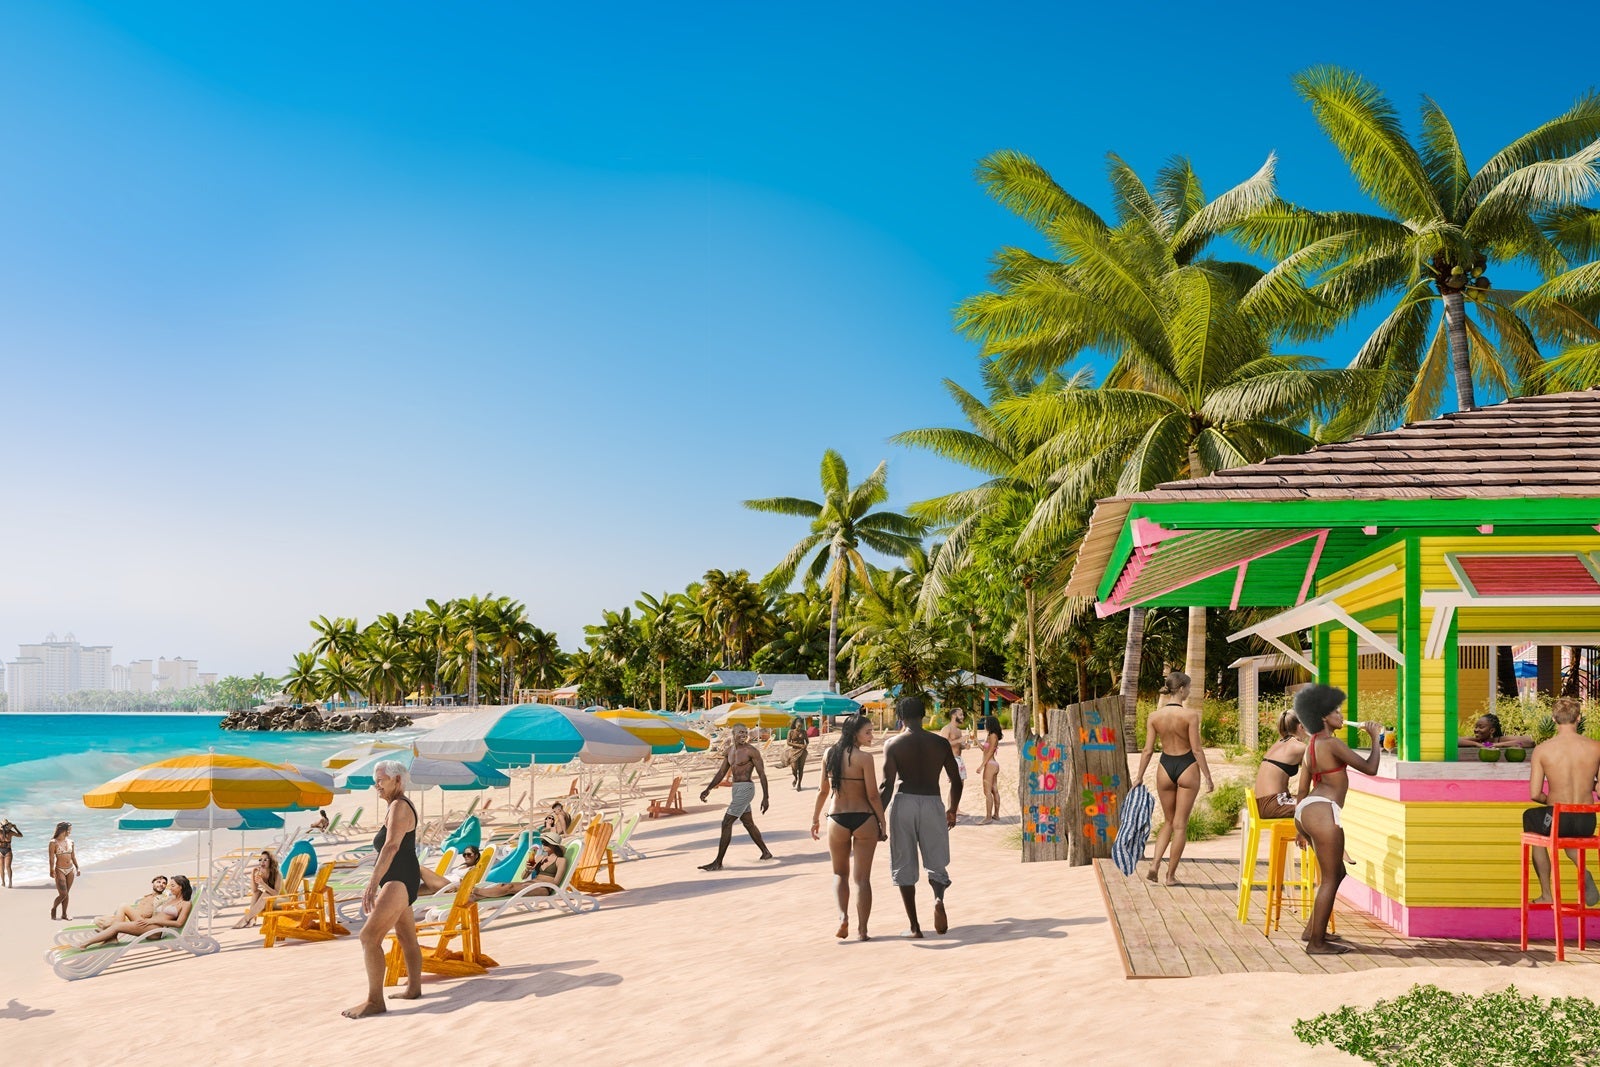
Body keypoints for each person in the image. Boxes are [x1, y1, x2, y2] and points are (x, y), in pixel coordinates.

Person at [1293, 684, 1381, 955]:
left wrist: (1300, 829)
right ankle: (1316, 944)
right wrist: (1375, 738)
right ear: (1322, 717)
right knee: (1331, 878)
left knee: (1336, 874)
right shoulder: (1331, 743)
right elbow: (1371, 768)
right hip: (1323, 810)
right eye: (1336, 712)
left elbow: (1301, 789)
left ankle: (1313, 931)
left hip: (1306, 810)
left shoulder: (1310, 745)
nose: (1342, 716)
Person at [344, 760, 423, 1018]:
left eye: (380, 780)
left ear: (397, 780)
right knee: (406, 937)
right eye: (375, 780)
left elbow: (391, 847)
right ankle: (413, 988)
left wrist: (371, 884)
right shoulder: (396, 806)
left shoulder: (399, 806)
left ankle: (375, 1001)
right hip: (404, 877)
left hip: (398, 879)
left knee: (368, 937)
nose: (375, 785)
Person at [879, 696, 962, 939]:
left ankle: (915, 927)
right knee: (936, 861)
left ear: (900, 717)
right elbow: (956, 780)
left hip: (904, 801)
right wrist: (952, 809)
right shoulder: (939, 743)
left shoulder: (893, 744)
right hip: (932, 802)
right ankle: (938, 898)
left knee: (904, 863)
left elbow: (887, 785)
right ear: (924, 714)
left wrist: (878, 818)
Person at [811, 714, 888, 941]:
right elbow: (873, 795)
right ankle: (863, 930)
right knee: (862, 879)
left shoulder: (829, 754)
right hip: (864, 819)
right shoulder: (865, 758)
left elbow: (822, 791)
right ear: (855, 734)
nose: (871, 736)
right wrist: (882, 822)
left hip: (837, 818)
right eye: (868, 732)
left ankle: (843, 917)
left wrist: (815, 818)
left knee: (839, 874)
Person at [1135, 672, 1214, 886]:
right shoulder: (1190, 716)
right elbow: (1197, 750)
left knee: (1168, 822)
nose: (1188, 691)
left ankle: (1154, 865)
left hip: (1165, 767)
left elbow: (1147, 750)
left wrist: (1139, 777)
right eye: (1188, 688)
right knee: (1180, 826)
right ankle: (1170, 876)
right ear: (1181, 689)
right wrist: (1208, 777)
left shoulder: (1154, 716)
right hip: (1187, 766)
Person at [1524, 696, 1600, 906]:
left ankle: (1547, 893)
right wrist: (1589, 785)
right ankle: (1582, 869)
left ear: (1554, 719)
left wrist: (1553, 801)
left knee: (1532, 819)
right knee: (1568, 836)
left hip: (1558, 817)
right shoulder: (1596, 747)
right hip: (1587, 820)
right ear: (1579, 718)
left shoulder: (1543, 749)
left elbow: (1535, 794)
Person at [697, 724, 774, 871]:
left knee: (726, 823)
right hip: (736, 789)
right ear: (733, 733)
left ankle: (718, 862)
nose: (744, 735)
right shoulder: (729, 751)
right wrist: (708, 789)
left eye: (745, 732)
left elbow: (762, 774)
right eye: (740, 732)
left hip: (746, 789)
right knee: (748, 823)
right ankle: (766, 852)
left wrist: (766, 797)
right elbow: (721, 773)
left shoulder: (751, 751)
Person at [80, 875, 193, 947]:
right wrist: (148, 918)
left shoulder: (186, 904)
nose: (169, 888)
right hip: (149, 923)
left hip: (156, 930)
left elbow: (179, 923)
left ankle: (85, 944)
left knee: (117, 926)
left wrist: (152, 922)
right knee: (123, 906)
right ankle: (112, 938)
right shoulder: (170, 899)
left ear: (181, 886)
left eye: (172, 885)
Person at [472, 833, 568, 899]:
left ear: (554, 845)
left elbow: (555, 883)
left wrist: (534, 884)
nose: (543, 845)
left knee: (509, 888)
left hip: (543, 888)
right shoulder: (539, 857)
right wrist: (528, 869)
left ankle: (475, 891)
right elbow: (523, 877)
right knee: (503, 885)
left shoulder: (561, 861)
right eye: (542, 842)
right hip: (530, 883)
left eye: (546, 843)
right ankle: (474, 896)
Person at [1255, 711, 1308, 820]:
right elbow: (1317, 769)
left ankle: (1302, 837)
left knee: (1310, 802)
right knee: (1317, 807)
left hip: (1265, 803)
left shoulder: (1280, 743)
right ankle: (1305, 837)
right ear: (1301, 726)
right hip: (1274, 804)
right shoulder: (1299, 747)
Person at [95, 875, 170, 929]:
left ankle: (109, 932)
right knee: (98, 919)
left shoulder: (163, 898)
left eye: (164, 883)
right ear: (153, 883)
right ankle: (110, 931)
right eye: (158, 882)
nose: (161, 884)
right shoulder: (145, 897)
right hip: (131, 919)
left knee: (123, 905)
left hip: (143, 922)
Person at [232, 850, 282, 928]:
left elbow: (276, 894)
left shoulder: (277, 874)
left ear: (271, 861)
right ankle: (252, 919)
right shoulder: (260, 872)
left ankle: (245, 919)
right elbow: (254, 890)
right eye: (260, 859)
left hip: (281, 901)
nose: (262, 862)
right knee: (257, 893)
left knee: (266, 894)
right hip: (268, 900)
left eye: (265, 860)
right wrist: (253, 873)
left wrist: (262, 883)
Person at [941, 712, 970, 820]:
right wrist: (959, 740)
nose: (963, 716)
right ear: (953, 716)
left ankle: (956, 809)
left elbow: (958, 745)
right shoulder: (946, 729)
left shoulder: (958, 730)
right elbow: (943, 744)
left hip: (959, 759)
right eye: (961, 714)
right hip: (951, 760)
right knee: (954, 784)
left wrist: (964, 746)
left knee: (960, 784)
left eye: (963, 714)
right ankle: (950, 811)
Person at [48, 822, 79, 920]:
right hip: (59, 870)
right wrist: (51, 869)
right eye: (69, 829)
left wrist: (77, 867)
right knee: (63, 894)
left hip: (70, 870)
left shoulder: (71, 842)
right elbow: (51, 858)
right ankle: (53, 909)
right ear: (63, 830)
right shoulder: (53, 842)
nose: (70, 831)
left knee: (66, 893)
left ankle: (64, 914)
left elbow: (73, 856)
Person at [1460, 712, 1535, 752]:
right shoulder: (1478, 740)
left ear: (1492, 730)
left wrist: (1495, 745)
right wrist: (1476, 744)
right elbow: (1453, 741)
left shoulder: (1500, 739)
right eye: (1476, 727)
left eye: (1481, 727)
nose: (1476, 730)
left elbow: (1529, 741)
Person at [976, 716, 1002, 824]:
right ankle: (996, 815)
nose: (985, 724)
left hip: (990, 765)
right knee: (994, 790)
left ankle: (988, 817)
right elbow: (984, 749)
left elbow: (990, 751)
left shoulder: (993, 735)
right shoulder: (991, 735)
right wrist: (976, 740)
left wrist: (982, 766)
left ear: (991, 724)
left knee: (987, 792)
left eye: (986, 722)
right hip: (993, 764)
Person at [787, 716, 811, 791]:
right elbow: (788, 742)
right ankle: (795, 778)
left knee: (801, 768)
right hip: (794, 751)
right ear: (795, 725)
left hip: (802, 752)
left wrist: (805, 745)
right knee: (794, 768)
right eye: (798, 726)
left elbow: (807, 741)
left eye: (801, 726)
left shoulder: (804, 732)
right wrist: (798, 745)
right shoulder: (791, 732)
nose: (800, 728)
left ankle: (799, 784)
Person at [0, 818, 20, 888]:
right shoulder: (2, 832)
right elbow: (20, 835)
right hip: (2, 851)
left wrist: (15, 828)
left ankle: (9, 882)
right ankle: (3, 882)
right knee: (2, 868)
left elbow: (20, 835)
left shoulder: (10, 832)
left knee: (7, 867)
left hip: (7, 851)